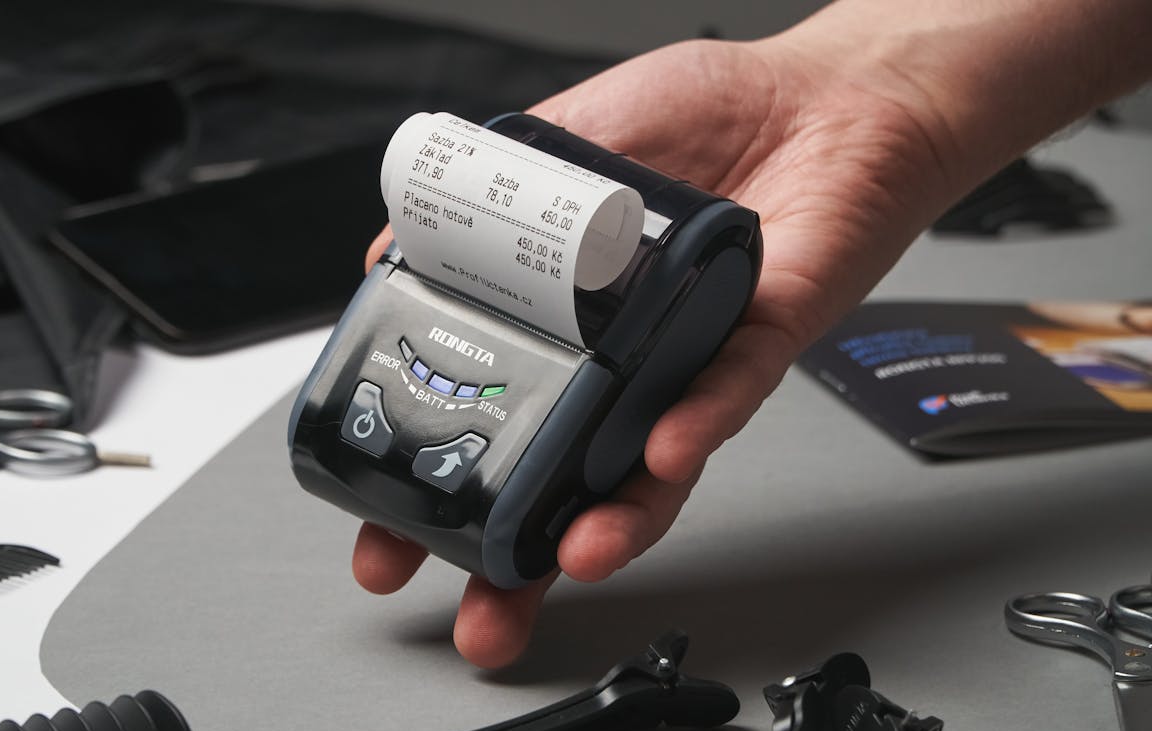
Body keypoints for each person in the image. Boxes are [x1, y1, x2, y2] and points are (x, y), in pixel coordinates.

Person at [351, 0, 1152, 668]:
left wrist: (882, 98)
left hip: (586, 327)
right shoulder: (455, 243)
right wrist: (869, 88)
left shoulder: (696, 263)